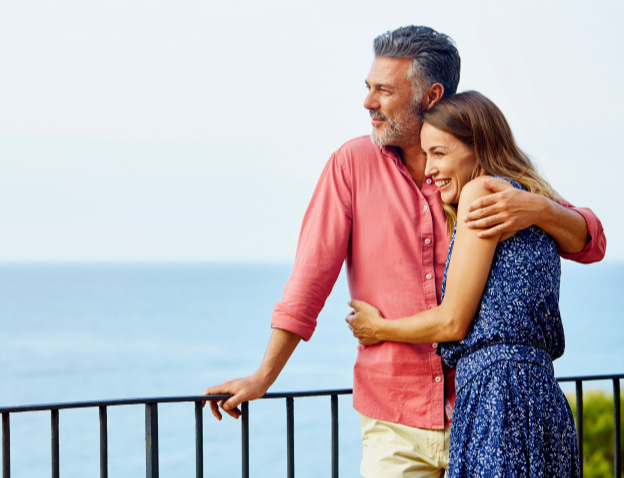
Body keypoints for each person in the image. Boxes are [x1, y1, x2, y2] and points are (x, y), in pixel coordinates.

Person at [204, 26, 606, 477]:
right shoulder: (350, 166)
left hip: (482, 409)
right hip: (394, 421)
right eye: (368, 88)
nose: (368, 102)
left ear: (431, 96)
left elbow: (592, 241)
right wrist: (264, 375)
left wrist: (537, 208)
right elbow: (309, 280)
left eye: (384, 90)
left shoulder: (478, 175)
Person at [346, 90, 583, 477]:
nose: (428, 171)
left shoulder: (481, 193)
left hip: (498, 397)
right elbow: (582, 237)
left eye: (439, 153)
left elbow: (452, 321)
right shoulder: (532, 200)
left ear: (479, 145)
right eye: (426, 156)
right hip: (540, 397)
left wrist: (379, 328)